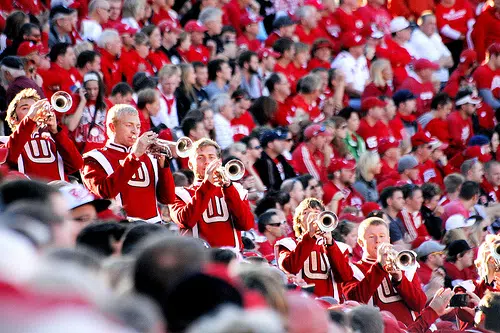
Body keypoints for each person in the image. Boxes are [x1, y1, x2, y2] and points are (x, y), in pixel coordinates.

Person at [81, 104, 175, 223]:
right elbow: (105, 192)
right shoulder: (94, 158)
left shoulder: (149, 156)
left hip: (153, 228)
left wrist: (163, 166)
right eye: (129, 125)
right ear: (112, 127)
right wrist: (134, 156)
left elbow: (168, 198)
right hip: (121, 229)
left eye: (138, 126)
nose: (135, 131)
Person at [169, 138, 253, 248]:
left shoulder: (236, 189)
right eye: (200, 157)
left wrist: (228, 187)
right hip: (199, 259)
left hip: (231, 258)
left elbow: (245, 224)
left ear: (220, 162)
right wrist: (208, 184)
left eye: (211, 157)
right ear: (190, 164)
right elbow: (186, 221)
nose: (207, 162)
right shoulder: (180, 193)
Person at [343, 217, 427, 326]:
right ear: (360, 242)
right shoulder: (353, 270)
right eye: (371, 236)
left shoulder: (404, 264)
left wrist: (400, 280)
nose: (378, 240)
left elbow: (419, 304)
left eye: (382, 236)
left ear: (388, 239)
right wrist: (379, 266)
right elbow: (356, 300)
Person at [276, 198, 353, 301]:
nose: (312, 217)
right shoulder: (288, 244)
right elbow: (290, 267)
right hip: (302, 305)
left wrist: (330, 243)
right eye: (306, 213)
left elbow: (345, 276)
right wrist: (309, 235)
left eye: (317, 213)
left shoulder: (339, 247)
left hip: (332, 306)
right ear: (298, 221)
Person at [3, 88, 82, 181]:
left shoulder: (52, 140)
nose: (33, 111)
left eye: (35, 108)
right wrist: (29, 120)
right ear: (13, 119)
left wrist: (55, 131)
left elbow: (76, 164)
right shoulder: (5, 141)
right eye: (25, 108)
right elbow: (8, 158)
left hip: (58, 192)